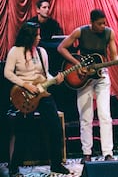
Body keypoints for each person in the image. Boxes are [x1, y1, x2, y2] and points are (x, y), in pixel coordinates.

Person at [57, 9, 118, 163]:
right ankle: (86, 153)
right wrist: (77, 64)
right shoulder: (80, 32)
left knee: (105, 115)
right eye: (99, 23)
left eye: (104, 23)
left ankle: (108, 153)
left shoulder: (109, 33)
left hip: (101, 75)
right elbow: (61, 47)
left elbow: (114, 56)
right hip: (83, 77)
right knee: (85, 117)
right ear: (92, 22)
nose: (103, 26)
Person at [4, 22, 70, 176]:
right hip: (23, 94)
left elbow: (45, 75)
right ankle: (14, 167)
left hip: (42, 93)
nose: (39, 38)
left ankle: (56, 164)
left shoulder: (42, 52)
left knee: (55, 128)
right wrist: (26, 85)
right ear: (29, 37)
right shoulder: (15, 51)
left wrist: (57, 79)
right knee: (22, 132)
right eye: (36, 35)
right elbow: (8, 73)